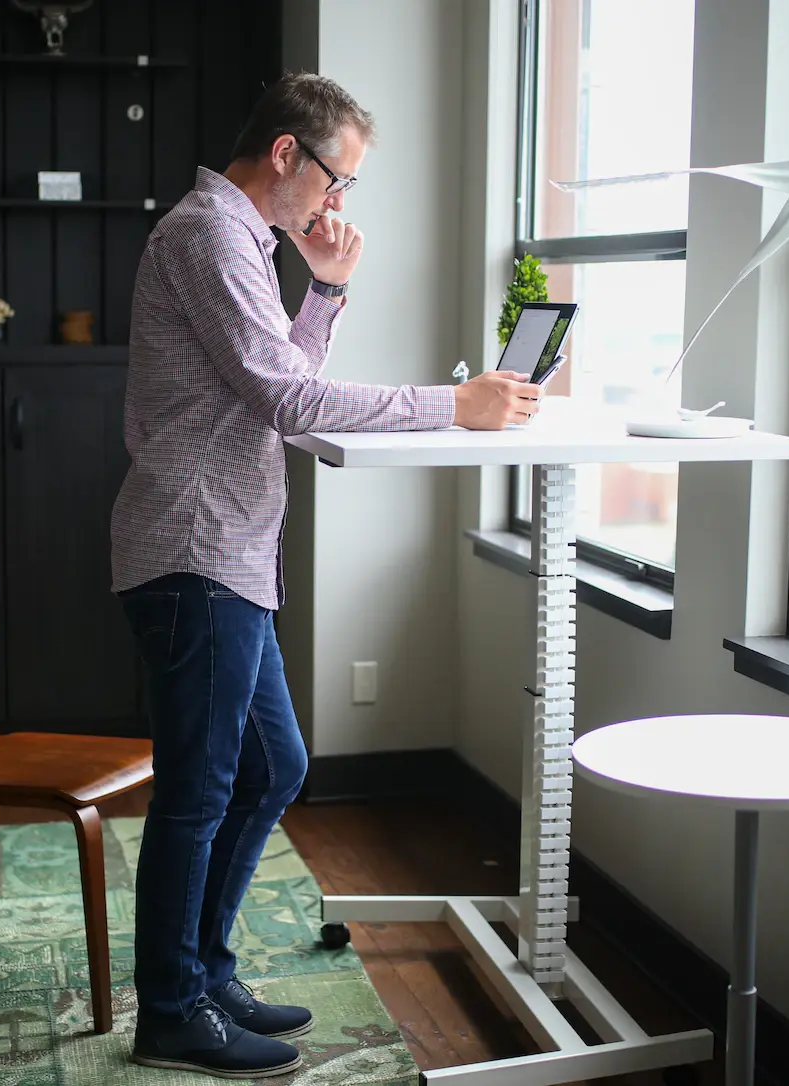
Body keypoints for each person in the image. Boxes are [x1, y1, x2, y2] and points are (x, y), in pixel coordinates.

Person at [109, 73, 539, 1077]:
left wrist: (327, 292)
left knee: (273, 768)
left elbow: (273, 387)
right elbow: (289, 403)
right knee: (198, 790)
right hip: (193, 550)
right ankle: (171, 1005)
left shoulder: (241, 243)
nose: (337, 203)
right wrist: (452, 404)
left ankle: (204, 973)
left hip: (227, 555)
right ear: (287, 155)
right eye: (338, 178)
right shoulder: (208, 236)